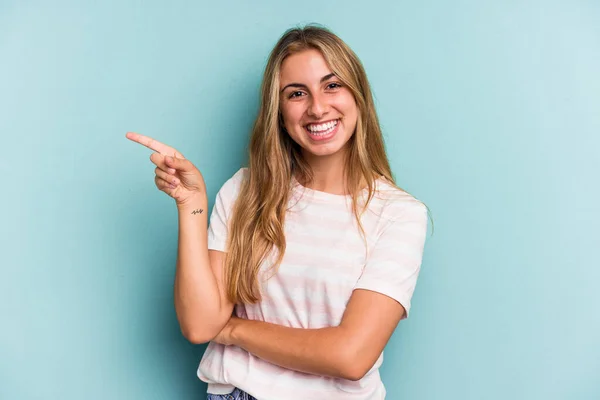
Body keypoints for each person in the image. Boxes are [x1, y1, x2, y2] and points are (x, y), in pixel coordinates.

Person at [126, 24, 429, 400]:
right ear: (279, 111)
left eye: (332, 85)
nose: (318, 107)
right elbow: (200, 324)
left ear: (358, 95)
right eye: (297, 93)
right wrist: (192, 204)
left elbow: (352, 356)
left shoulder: (399, 214)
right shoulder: (244, 191)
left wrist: (233, 330)